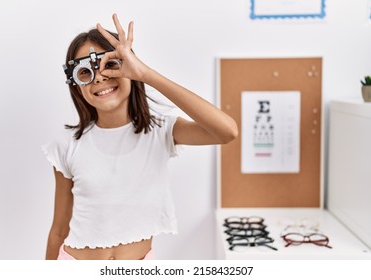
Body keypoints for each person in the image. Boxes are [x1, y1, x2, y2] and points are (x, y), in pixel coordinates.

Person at [43, 13, 238, 260]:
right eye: (85, 72)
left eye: (111, 65)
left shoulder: (161, 132)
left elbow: (227, 131)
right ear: (76, 85)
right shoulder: (67, 145)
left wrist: (146, 74)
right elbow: (58, 230)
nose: (101, 77)